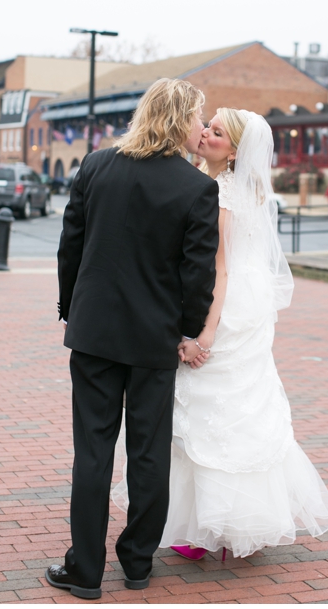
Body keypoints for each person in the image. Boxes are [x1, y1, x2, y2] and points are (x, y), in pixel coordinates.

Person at [112, 108, 328, 560]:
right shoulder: (231, 184)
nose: (205, 134)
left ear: (234, 151)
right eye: (208, 126)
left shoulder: (219, 192)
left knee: (204, 407)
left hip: (225, 308)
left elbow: (219, 269)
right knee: (237, 408)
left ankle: (208, 526)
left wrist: (206, 334)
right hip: (250, 306)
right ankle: (223, 523)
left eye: (216, 132)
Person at [49, 79, 219, 600]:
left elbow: (70, 246)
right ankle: (137, 561)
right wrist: (187, 330)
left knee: (93, 453)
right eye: (197, 117)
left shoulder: (97, 165)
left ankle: (84, 570)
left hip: (96, 332)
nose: (201, 127)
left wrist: (69, 307)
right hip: (154, 340)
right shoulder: (196, 188)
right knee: (149, 453)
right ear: (176, 118)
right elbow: (198, 276)